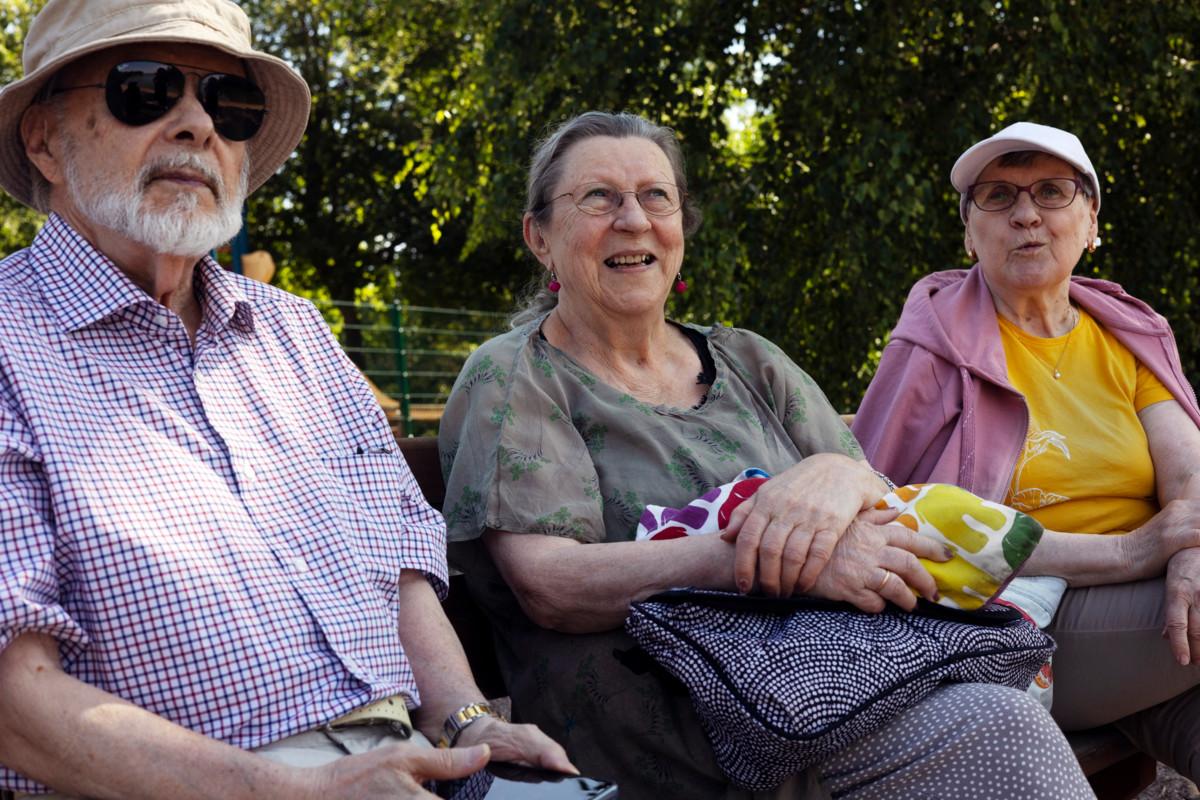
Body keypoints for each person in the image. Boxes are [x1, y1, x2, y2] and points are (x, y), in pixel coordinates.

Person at [0, 0, 571, 797]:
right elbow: (14, 701)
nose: (197, 125)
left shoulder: (293, 328)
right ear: (43, 139)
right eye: (145, 88)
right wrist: (292, 791)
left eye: (229, 105)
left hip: (406, 765)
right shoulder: (8, 343)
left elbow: (397, 559)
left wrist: (469, 724)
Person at [438, 110, 1096, 800]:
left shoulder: (749, 359)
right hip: (688, 732)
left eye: (655, 196)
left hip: (839, 685)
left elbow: (874, 493)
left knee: (1005, 719)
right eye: (598, 198)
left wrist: (834, 473)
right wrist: (778, 561)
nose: (633, 220)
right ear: (539, 237)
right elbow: (552, 586)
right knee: (998, 729)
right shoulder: (516, 377)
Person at [853, 121, 1200, 781]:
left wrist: (1187, 556)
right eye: (998, 197)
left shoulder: (1129, 335)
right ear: (968, 232)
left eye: (1050, 191)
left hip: (1153, 624)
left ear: (1091, 218)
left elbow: (1190, 474)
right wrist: (1136, 550)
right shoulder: (932, 346)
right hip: (1014, 628)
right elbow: (880, 512)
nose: (1025, 215)